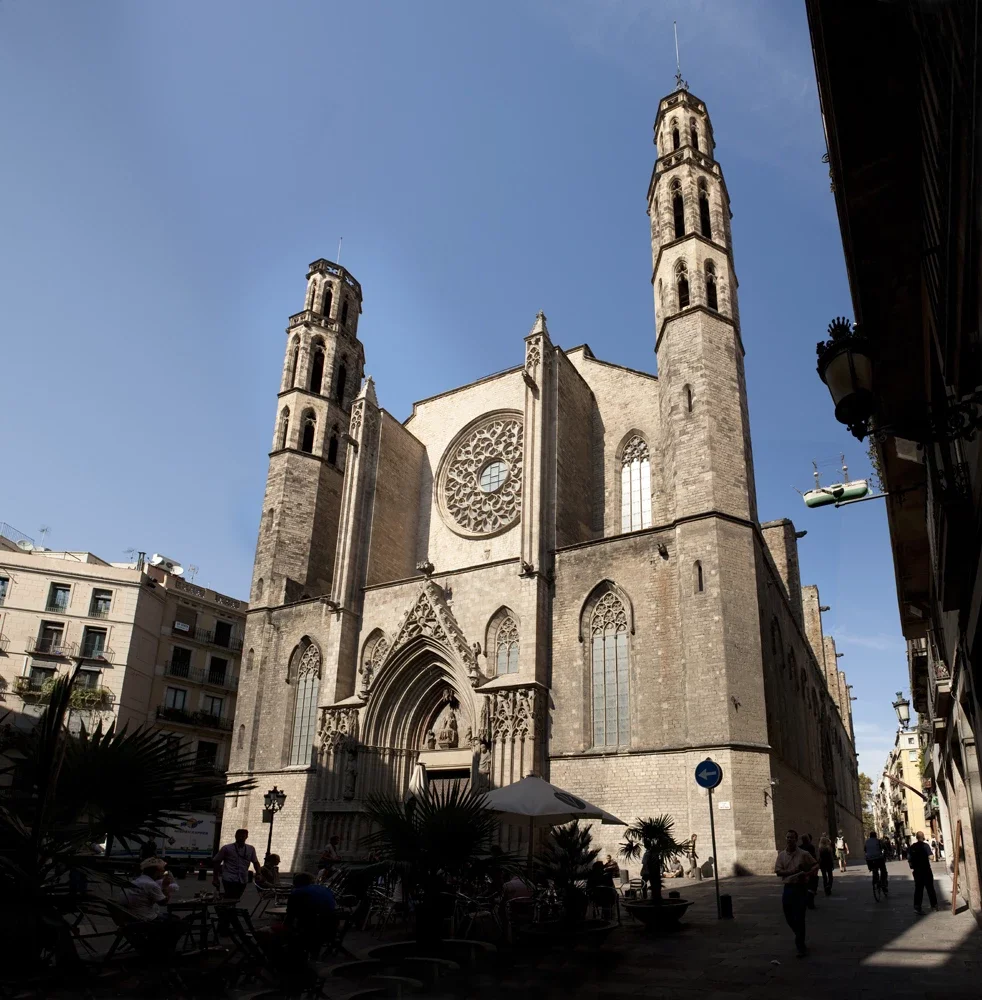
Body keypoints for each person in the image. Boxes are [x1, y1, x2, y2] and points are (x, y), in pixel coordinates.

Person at [775, 830, 818, 957]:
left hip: (800, 888)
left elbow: (815, 865)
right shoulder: (781, 855)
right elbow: (778, 871)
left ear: (796, 839)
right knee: (788, 915)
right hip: (788, 888)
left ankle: (800, 945)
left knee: (799, 917)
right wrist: (792, 872)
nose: (789, 840)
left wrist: (807, 874)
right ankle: (799, 934)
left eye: (792, 838)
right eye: (787, 837)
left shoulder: (804, 854)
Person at [286, 872, 338, 958]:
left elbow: (290, 914)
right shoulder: (325, 889)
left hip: (311, 929)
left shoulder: (297, 892)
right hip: (331, 927)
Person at [212, 828, 262, 905]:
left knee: (235, 899)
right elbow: (216, 862)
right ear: (235, 836)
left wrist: (258, 873)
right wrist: (215, 878)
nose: (241, 838)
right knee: (230, 898)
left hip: (243, 879)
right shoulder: (227, 848)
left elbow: (255, 862)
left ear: (246, 837)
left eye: (243, 836)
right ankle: (228, 913)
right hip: (229, 878)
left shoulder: (250, 849)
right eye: (239, 836)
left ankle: (229, 911)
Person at [125, 856, 179, 922]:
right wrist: (165, 886)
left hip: (132, 915)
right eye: (162, 871)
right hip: (145, 918)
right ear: (157, 872)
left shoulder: (136, 881)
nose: (163, 874)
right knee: (178, 921)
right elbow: (163, 903)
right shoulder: (151, 884)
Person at [908, 831, 939, 914]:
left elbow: (909, 859)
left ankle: (917, 907)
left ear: (917, 837)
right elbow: (931, 857)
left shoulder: (912, 847)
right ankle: (934, 906)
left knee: (918, 889)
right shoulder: (925, 845)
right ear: (923, 837)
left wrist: (912, 866)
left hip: (917, 871)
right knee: (930, 889)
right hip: (926, 870)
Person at [799, 834, 819, 909]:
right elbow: (813, 858)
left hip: (803, 869)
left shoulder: (800, 847)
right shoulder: (811, 847)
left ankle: (805, 901)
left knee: (805, 886)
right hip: (810, 869)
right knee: (812, 886)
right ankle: (810, 903)